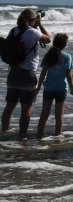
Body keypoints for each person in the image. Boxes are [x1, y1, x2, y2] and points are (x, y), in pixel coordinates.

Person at [2, 8, 51, 136]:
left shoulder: (13, 31)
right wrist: (40, 24)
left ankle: (4, 133)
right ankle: (22, 137)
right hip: (27, 74)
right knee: (26, 108)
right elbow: (48, 39)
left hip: (13, 72)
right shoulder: (32, 32)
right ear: (32, 20)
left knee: (9, 106)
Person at [35, 33, 73, 137]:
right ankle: (57, 136)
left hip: (49, 88)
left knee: (44, 113)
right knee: (59, 114)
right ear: (64, 45)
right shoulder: (67, 57)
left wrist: (38, 87)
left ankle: (39, 135)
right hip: (61, 88)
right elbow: (68, 74)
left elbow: (43, 73)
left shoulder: (48, 55)